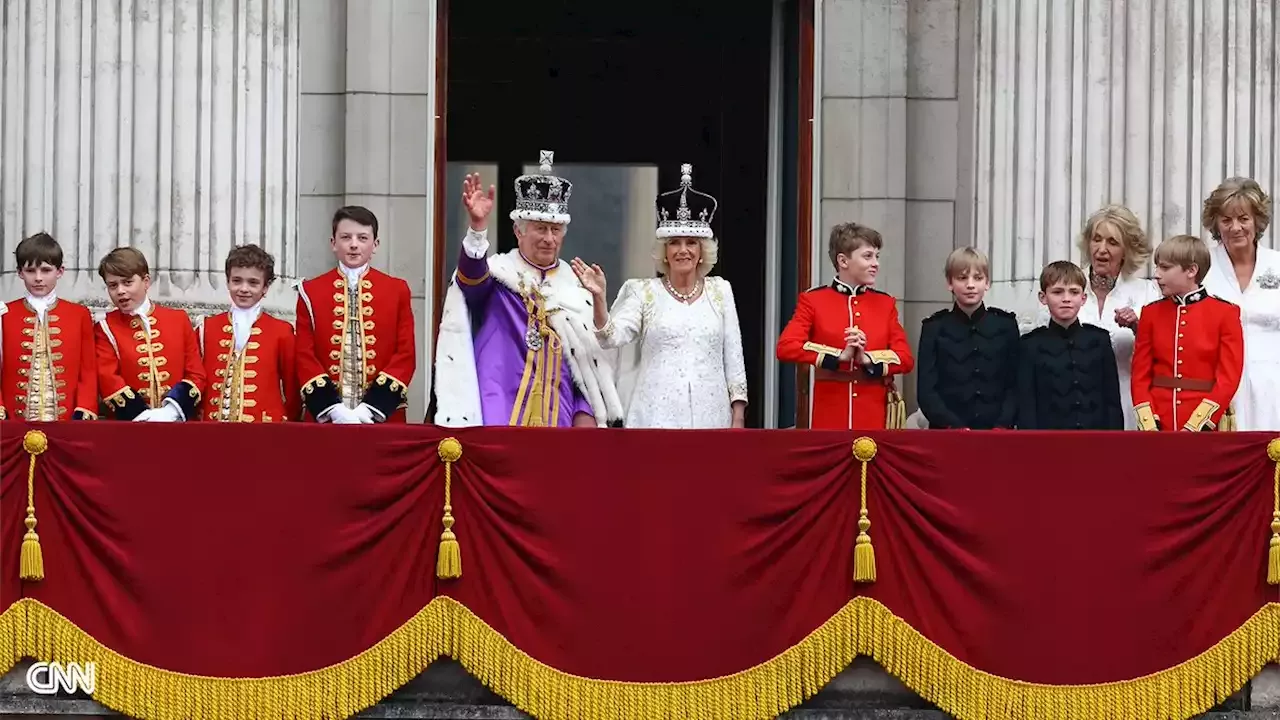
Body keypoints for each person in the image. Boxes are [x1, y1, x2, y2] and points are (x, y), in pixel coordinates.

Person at [432, 150, 624, 427]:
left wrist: (586, 413)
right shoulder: (499, 276)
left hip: (560, 413)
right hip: (497, 404)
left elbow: (589, 363)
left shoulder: (576, 287)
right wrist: (477, 229)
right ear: (519, 231)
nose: (548, 238)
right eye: (540, 228)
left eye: (555, 230)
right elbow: (471, 281)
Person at [571, 163, 748, 428]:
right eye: (674, 242)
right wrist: (599, 298)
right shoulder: (643, 292)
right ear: (664, 251)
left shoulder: (721, 291)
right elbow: (610, 337)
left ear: (702, 251)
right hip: (654, 416)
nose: (683, 250)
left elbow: (734, 360)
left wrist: (738, 417)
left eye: (691, 243)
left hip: (711, 418)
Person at [1032, 205, 1160, 429]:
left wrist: (1138, 328)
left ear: (1127, 250)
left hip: (1129, 401)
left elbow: (1166, 353)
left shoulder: (1146, 292)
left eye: (1112, 242)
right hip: (1073, 407)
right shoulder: (1066, 290)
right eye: (1096, 239)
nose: (1101, 249)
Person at [776, 222, 913, 429]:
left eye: (877, 256)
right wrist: (838, 356)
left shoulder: (885, 304)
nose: (876, 263)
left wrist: (868, 358)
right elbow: (786, 347)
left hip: (873, 416)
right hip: (829, 413)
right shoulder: (814, 300)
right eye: (868, 256)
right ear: (843, 260)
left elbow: (905, 358)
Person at [295, 206, 416, 424]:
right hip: (325, 418)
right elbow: (304, 355)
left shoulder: (397, 290)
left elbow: (406, 354)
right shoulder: (310, 291)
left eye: (362, 238)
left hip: (383, 416)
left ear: (375, 244)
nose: (353, 244)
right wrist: (331, 408)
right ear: (333, 243)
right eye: (345, 237)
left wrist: (372, 408)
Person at [1131, 235, 1244, 432]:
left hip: (1205, 424)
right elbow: (1140, 375)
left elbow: (1228, 377)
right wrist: (1149, 422)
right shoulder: (1150, 313)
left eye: (1165, 268)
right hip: (1159, 421)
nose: (1156, 274)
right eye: (1157, 267)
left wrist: (1198, 424)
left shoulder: (1225, 313)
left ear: (1192, 270)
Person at [1201, 177, 1279, 431]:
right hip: (1215, 390)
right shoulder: (1200, 268)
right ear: (1215, 224)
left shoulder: (1277, 264)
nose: (1236, 227)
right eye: (1226, 220)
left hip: (1272, 390)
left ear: (1257, 221)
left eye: (1243, 218)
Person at [94, 247, 205, 421]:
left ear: (146, 281)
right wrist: (143, 415)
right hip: (128, 427)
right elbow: (107, 378)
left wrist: (171, 412)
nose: (120, 291)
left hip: (177, 425)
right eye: (113, 285)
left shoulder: (178, 320)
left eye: (128, 282)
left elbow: (196, 374)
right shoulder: (105, 327)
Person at [916, 247, 1019, 429]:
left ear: (987, 283)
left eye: (977, 278)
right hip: (948, 433)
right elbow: (926, 391)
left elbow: (1015, 384)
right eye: (962, 278)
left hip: (997, 432)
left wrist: (1002, 425)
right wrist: (953, 426)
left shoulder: (1005, 326)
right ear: (950, 283)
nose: (970, 285)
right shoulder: (934, 327)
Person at [0, 232, 98, 421]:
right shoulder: (4, 314)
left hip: (67, 421)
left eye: (45, 270)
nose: (38, 278)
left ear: (60, 271)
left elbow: (88, 369)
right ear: (20, 273)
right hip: (13, 421)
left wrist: (85, 407)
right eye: (30, 271)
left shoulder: (79, 314)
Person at [1017, 261, 1123, 430]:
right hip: (1048, 444)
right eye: (1057, 292)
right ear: (1043, 297)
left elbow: (1112, 402)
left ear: (1083, 298)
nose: (1066, 299)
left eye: (1073, 292)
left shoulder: (1099, 340)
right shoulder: (1030, 345)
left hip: (1095, 441)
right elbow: (1027, 406)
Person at [200, 245, 300, 422]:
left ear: (265, 287)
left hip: (265, 432)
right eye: (236, 281)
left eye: (253, 283)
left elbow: (292, 390)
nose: (244, 288)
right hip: (213, 430)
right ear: (228, 282)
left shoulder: (281, 331)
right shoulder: (206, 328)